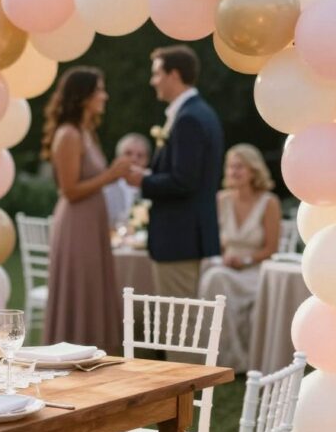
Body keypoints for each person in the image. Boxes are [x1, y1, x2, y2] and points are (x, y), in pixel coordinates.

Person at [126, 45, 224, 308]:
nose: (152, 80)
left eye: (157, 73)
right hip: (189, 236)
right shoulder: (198, 112)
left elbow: (184, 181)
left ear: (174, 75)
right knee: (182, 321)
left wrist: (142, 180)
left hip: (179, 238)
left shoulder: (188, 119)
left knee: (178, 322)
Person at [41, 67, 130, 352]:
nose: (105, 96)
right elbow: (69, 190)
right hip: (76, 225)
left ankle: (95, 350)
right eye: (99, 90)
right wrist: (112, 174)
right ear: (83, 97)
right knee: (81, 288)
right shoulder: (68, 135)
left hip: (91, 222)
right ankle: (71, 348)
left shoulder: (87, 131)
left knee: (94, 288)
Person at [198, 144, 281, 371]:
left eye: (240, 167)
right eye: (231, 167)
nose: (233, 172)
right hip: (227, 269)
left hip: (256, 272)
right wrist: (225, 257)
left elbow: (271, 249)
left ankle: (234, 360)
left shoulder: (269, 202)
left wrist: (244, 260)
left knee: (216, 278)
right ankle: (224, 357)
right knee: (214, 276)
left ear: (253, 170)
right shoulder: (221, 200)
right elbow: (214, 242)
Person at [102, 133, 151, 230]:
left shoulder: (154, 184)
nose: (134, 159)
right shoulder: (106, 187)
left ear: (147, 160)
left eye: (140, 155)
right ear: (118, 158)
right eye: (128, 153)